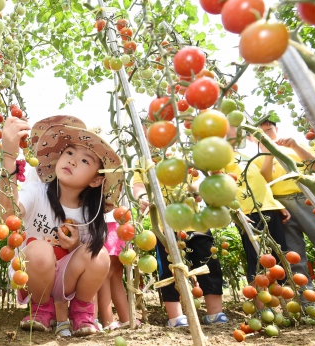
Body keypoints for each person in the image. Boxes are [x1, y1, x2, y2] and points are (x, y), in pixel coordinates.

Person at [0, 116, 122, 337]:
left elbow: (88, 265)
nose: (73, 161)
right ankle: (40, 308)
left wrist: (75, 246)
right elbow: (9, 213)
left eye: (85, 161)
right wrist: (8, 156)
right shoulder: (37, 192)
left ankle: (82, 313)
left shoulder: (89, 214)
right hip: (30, 275)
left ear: (95, 180)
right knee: (39, 249)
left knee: (98, 255)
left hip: (67, 282)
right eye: (70, 153)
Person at [254, 120, 315, 322]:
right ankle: (310, 309)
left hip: (307, 199)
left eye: (269, 130)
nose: (266, 135)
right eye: (260, 134)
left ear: (276, 130)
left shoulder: (292, 148)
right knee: (295, 258)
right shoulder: (256, 160)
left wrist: (295, 146)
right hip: (282, 209)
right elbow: (263, 179)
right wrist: (270, 154)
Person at [133, 172, 228, 327]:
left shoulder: (184, 160)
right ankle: (176, 317)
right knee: (170, 270)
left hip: (197, 224)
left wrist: (196, 191)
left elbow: (196, 186)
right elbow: (139, 187)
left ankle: (215, 313)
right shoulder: (147, 164)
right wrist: (141, 198)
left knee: (209, 265)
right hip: (166, 228)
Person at [224, 126, 289, 288]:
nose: (240, 129)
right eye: (233, 126)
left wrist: (276, 205)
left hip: (268, 208)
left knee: (280, 257)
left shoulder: (244, 157)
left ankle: (288, 307)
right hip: (248, 211)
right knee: (257, 260)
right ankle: (262, 308)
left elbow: (262, 182)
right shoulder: (219, 159)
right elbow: (219, 187)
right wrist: (234, 210)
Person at [96, 211, 131, 330]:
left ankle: (126, 318)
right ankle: (108, 321)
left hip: (120, 223)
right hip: (105, 222)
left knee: (117, 272)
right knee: (106, 271)